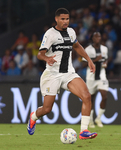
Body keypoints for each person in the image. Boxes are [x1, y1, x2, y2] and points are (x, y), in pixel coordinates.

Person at [27, 8, 97, 140]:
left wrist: (88, 60)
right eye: (62, 19)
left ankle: (83, 131)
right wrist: (47, 58)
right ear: (56, 19)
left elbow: (76, 46)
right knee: (47, 109)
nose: (65, 22)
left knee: (87, 96)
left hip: (68, 73)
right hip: (52, 74)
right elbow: (40, 54)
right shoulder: (50, 34)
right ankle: (33, 116)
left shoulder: (71, 32)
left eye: (67, 19)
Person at [82, 32, 109, 128]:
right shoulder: (88, 50)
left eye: (99, 36)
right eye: (96, 36)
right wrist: (95, 60)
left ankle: (99, 118)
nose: (98, 38)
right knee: (91, 99)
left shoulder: (105, 49)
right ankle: (91, 120)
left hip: (101, 76)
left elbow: (106, 60)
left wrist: (105, 63)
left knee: (104, 96)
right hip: (91, 77)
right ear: (92, 38)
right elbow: (83, 64)